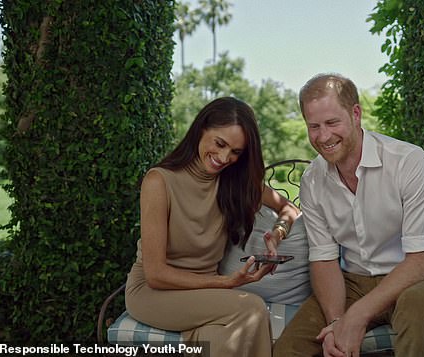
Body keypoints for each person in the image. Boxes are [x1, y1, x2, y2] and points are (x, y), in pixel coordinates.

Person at [273, 74, 424, 357]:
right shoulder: (312, 180)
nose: (323, 136)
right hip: (353, 280)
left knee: (418, 318)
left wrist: (355, 317)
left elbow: (420, 261)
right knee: (288, 349)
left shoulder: (409, 162)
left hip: (417, 279)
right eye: (314, 126)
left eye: (332, 123)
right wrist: (336, 322)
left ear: (356, 114)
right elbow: (324, 258)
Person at [125, 97, 300, 357]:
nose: (224, 157)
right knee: (251, 308)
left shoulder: (234, 184)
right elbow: (155, 274)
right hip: (154, 292)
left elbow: (290, 209)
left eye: (236, 152)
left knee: (217, 336)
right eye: (220, 143)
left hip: (204, 294)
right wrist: (225, 282)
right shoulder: (159, 181)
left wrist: (276, 235)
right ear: (201, 128)